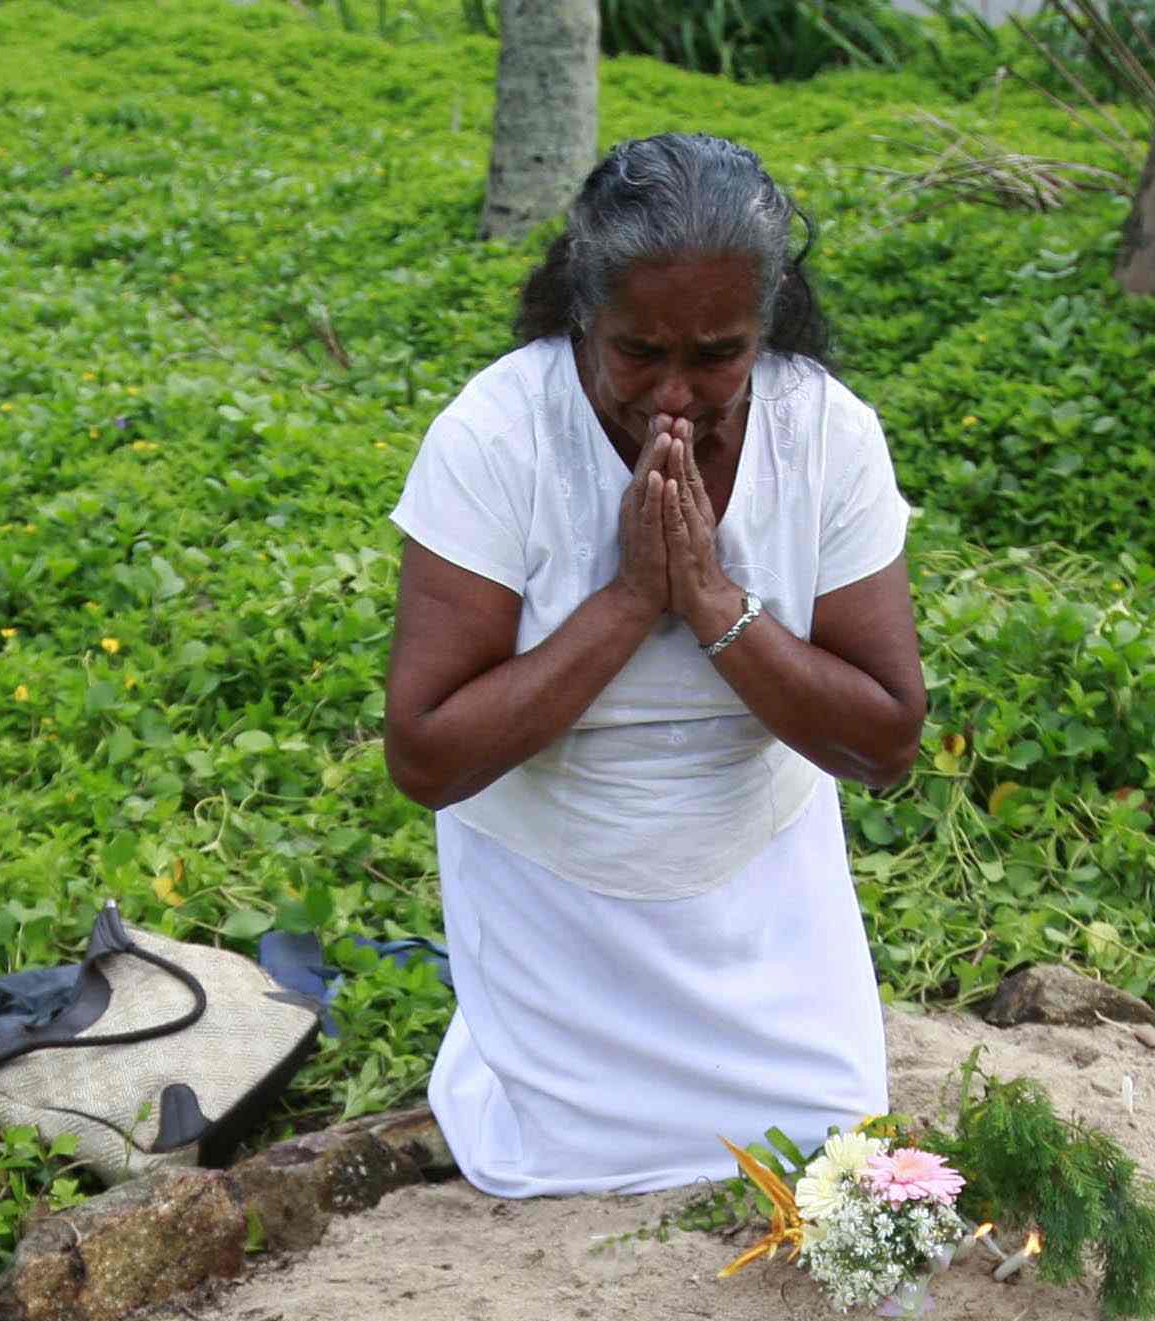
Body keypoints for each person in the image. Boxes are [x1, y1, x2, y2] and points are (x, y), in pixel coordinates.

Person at [383, 132, 925, 1197]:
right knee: (550, 1161)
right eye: (637, 353)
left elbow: (882, 739)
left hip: (760, 881)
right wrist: (631, 598)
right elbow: (427, 755)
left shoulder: (824, 435)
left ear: (767, 327)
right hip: (556, 883)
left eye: (717, 354)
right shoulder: (494, 437)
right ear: (582, 317)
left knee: (821, 1141)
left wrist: (714, 604)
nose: (674, 395)